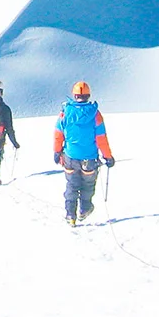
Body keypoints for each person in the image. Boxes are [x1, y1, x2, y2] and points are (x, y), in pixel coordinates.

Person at [53, 81, 114, 225]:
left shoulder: (65, 113)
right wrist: (108, 156)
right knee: (87, 185)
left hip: (70, 156)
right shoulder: (95, 115)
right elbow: (101, 139)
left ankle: (70, 214)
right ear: (88, 95)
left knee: (72, 185)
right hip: (90, 158)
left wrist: (57, 151)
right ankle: (84, 209)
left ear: (75, 95)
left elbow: (58, 134)